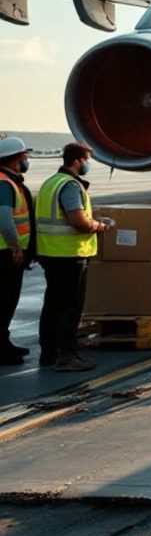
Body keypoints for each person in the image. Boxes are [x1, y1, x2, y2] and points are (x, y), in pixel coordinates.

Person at [36, 142, 111, 372]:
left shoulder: (51, 182)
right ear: (77, 161)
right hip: (70, 255)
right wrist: (99, 226)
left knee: (52, 305)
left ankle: (48, 353)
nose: (88, 165)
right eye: (87, 160)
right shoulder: (70, 186)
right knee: (70, 307)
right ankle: (67, 357)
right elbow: (78, 221)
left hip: (50, 253)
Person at [0, 138, 34, 366]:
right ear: (15, 159)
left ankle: (4, 343)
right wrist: (16, 248)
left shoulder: (10, 182)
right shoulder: (4, 184)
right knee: (4, 301)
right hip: (5, 254)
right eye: (24, 157)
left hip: (8, 252)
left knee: (7, 302)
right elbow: (4, 220)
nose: (26, 161)